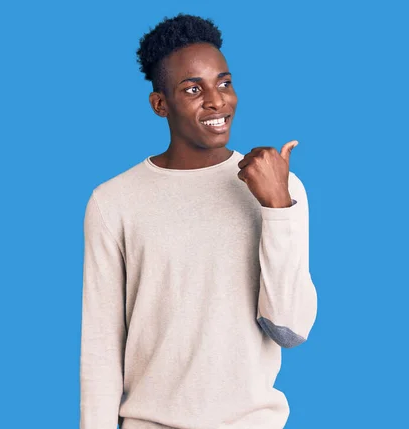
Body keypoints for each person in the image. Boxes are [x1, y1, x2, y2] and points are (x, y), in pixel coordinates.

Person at [79, 13, 318, 429]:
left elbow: (289, 329)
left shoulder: (279, 183)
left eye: (224, 83)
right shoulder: (113, 201)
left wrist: (278, 206)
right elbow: (101, 348)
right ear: (160, 104)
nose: (216, 100)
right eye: (193, 89)